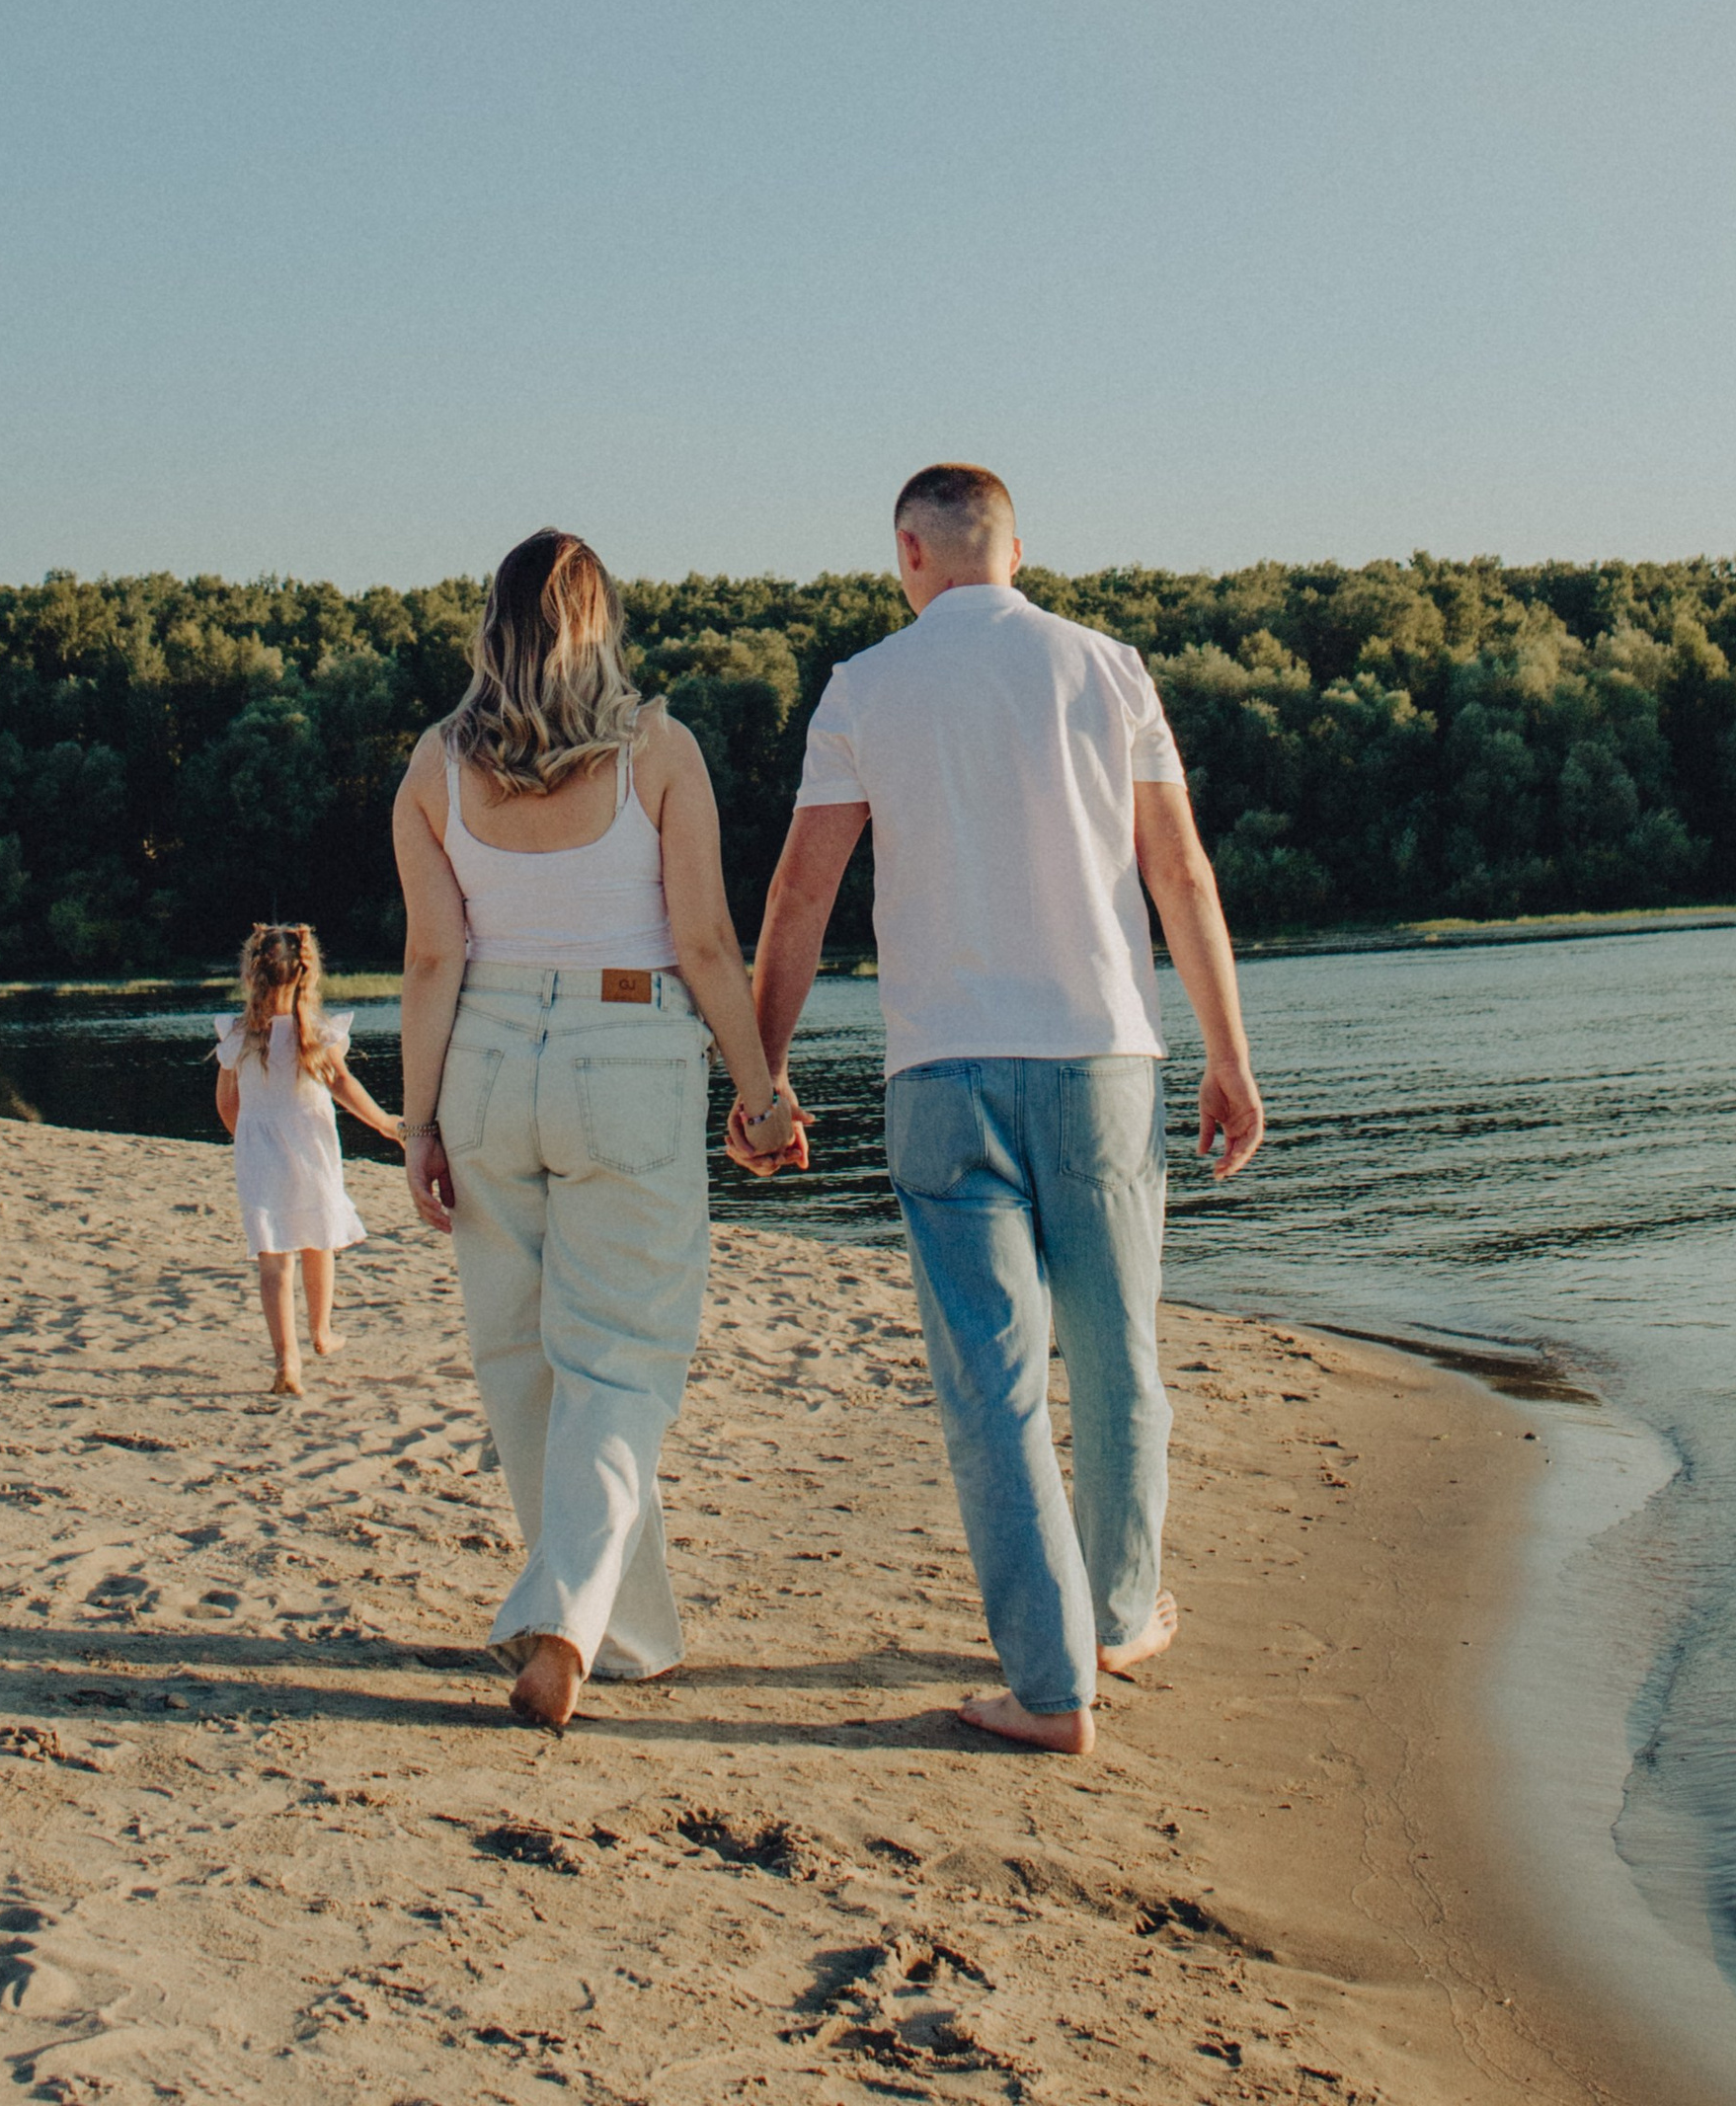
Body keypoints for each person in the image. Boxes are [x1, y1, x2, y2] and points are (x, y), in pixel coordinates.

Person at [744, 462, 1265, 1757]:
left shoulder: (865, 686)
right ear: (1016, 550)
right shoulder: (1109, 667)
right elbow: (1180, 871)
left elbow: (800, 894)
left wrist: (763, 1074)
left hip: (941, 1070)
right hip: (1102, 1058)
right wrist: (1230, 1054)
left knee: (992, 1382)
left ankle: (1049, 1685)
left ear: (908, 554)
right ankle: (1122, 1615)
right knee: (1120, 1352)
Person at [393, 528, 800, 1731]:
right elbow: (706, 943)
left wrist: (416, 1125)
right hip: (626, 1049)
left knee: (519, 1359)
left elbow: (430, 957)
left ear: (494, 631)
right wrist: (760, 1091)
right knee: (620, 1355)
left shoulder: (433, 767)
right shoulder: (657, 751)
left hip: (481, 1057)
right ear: (599, 626)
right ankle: (571, 1620)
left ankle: (624, 1633)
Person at [214, 918, 405, 1397]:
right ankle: (321, 1332)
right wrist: (386, 1123)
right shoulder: (318, 1033)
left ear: (250, 976)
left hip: (260, 1153)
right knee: (319, 1240)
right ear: (307, 974)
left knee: (274, 1257)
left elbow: (226, 1103)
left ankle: (287, 1361)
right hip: (312, 1146)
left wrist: (248, 1140)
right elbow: (344, 1086)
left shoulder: (238, 1036)